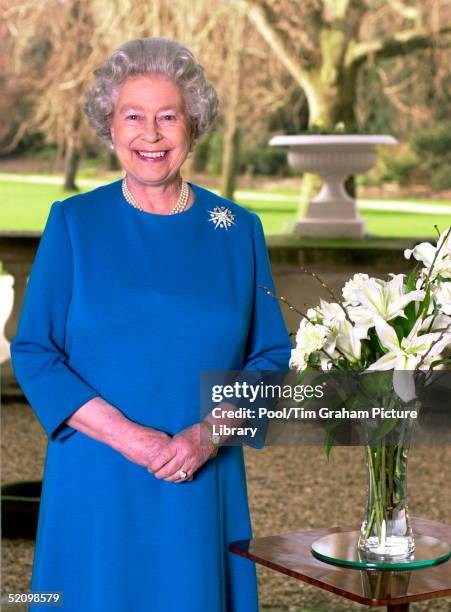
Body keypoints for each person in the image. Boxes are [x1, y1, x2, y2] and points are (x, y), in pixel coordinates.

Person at [10, 37, 292, 612]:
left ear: (193, 126)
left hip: (200, 476)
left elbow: (269, 356)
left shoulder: (236, 229)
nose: (151, 134)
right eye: (132, 116)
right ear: (109, 128)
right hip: (96, 474)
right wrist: (130, 438)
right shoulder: (74, 223)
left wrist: (205, 437)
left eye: (168, 116)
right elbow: (35, 351)